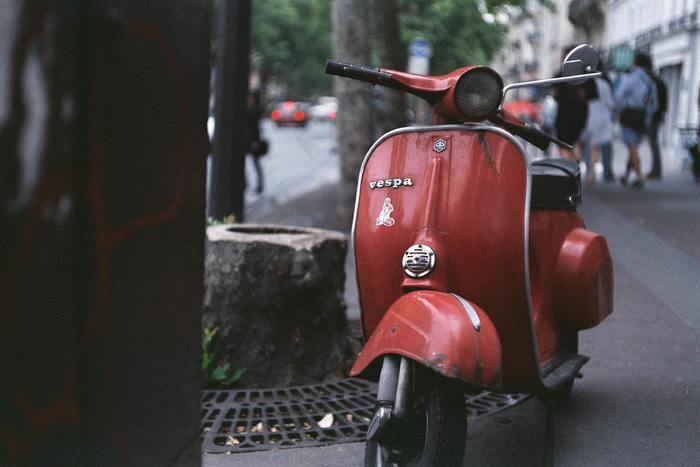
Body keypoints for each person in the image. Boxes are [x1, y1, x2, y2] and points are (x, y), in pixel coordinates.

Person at [615, 53, 658, 188]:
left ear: (635, 64)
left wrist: (619, 111)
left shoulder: (631, 78)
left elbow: (618, 95)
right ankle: (626, 176)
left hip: (630, 115)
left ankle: (639, 176)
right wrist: (647, 116)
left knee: (632, 147)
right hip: (642, 116)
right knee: (633, 146)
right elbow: (654, 103)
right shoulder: (650, 81)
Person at [552, 47, 598, 161]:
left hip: (564, 116)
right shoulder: (587, 75)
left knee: (563, 146)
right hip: (582, 116)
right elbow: (593, 97)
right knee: (572, 145)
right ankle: (574, 162)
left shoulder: (561, 74)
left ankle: (571, 164)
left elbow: (555, 94)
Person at [580, 64, 616, 186]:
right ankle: (591, 174)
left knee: (588, 147)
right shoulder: (604, 84)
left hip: (588, 117)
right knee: (595, 147)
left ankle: (589, 175)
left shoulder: (584, 85)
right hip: (602, 117)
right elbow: (610, 103)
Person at [647, 72, 667, 179]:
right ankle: (656, 169)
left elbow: (655, 105)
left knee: (653, 143)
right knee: (654, 143)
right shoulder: (660, 84)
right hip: (657, 116)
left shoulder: (655, 85)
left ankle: (656, 170)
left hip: (654, 117)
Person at [245, 90, 265, 193]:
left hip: (252, 140)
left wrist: (255, 141)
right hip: (246, 140)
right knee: (248, 163)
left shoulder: (254, 110)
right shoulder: (249, 109)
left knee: (255, 163)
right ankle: (246, 184)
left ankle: (260, 185)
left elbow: (255, 128)